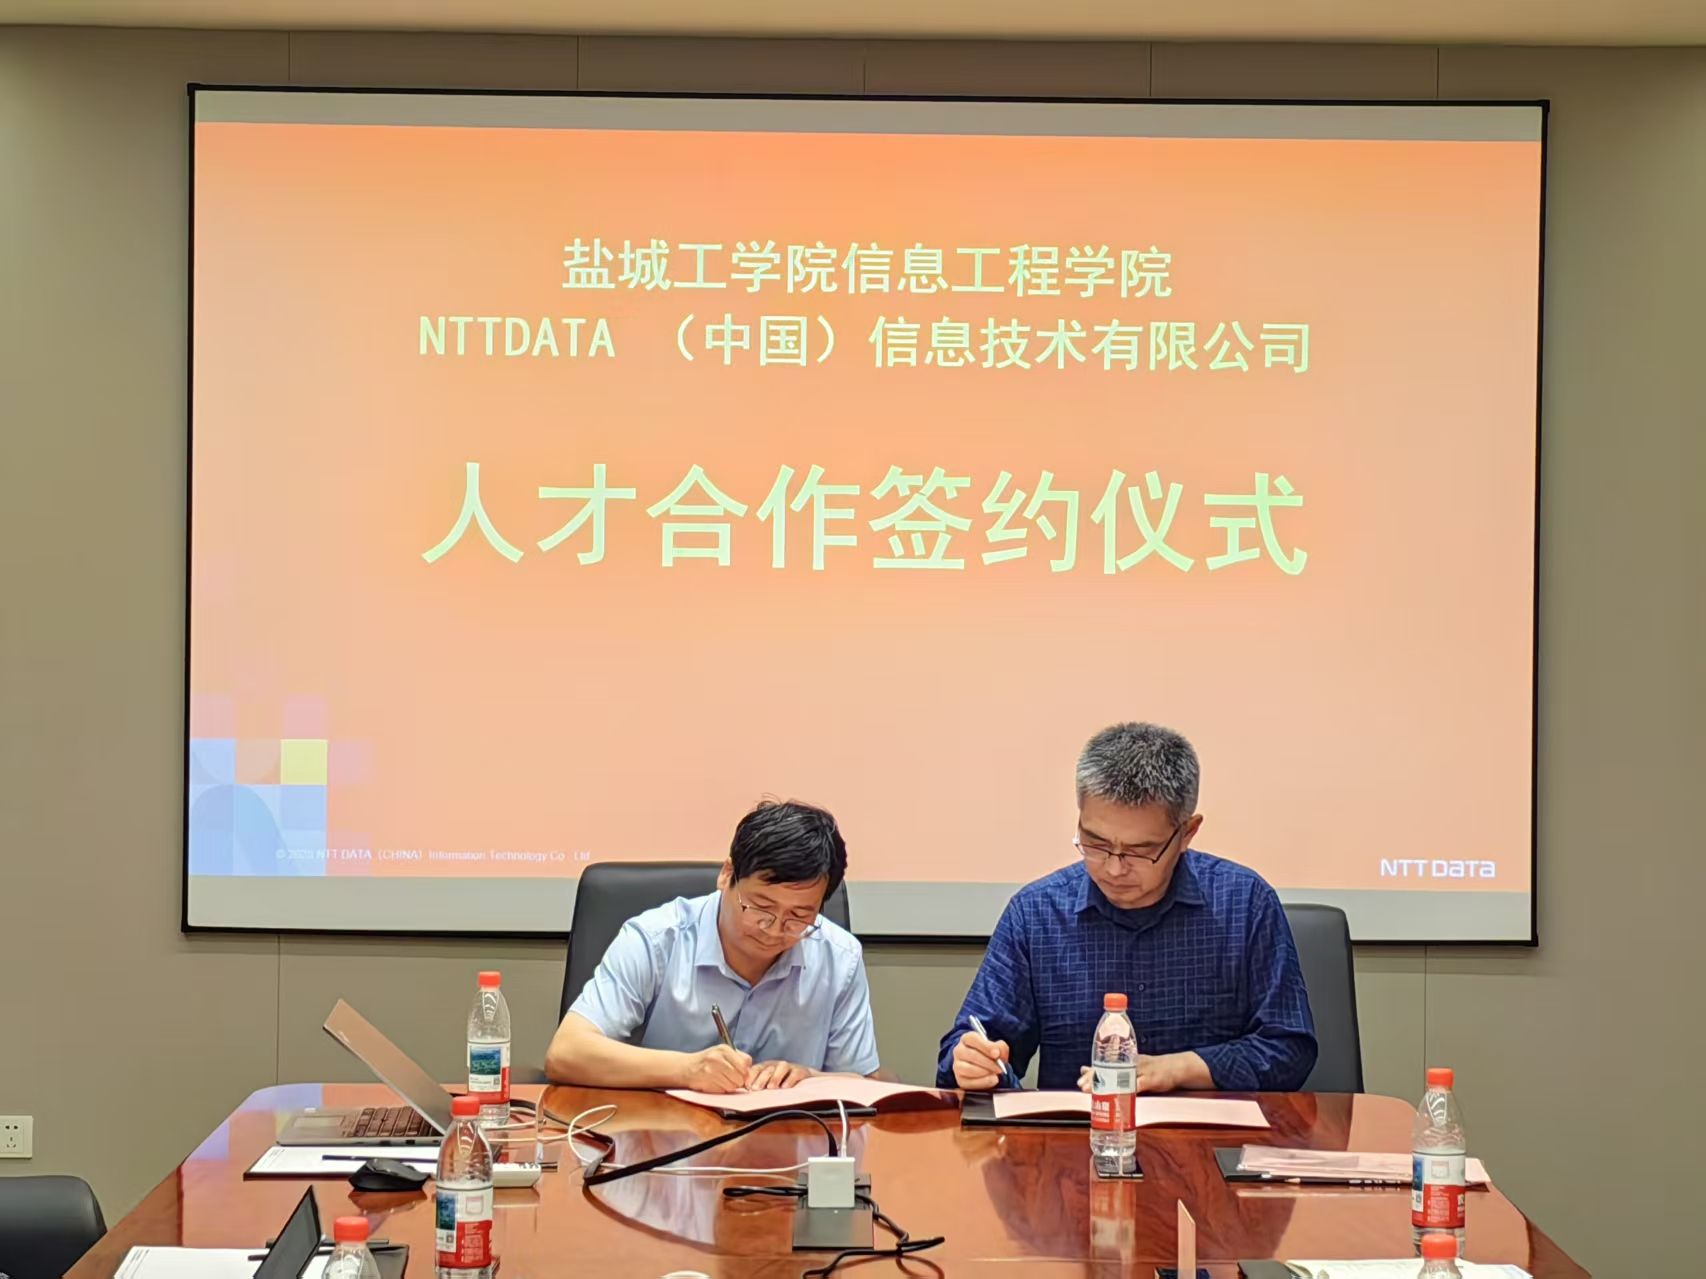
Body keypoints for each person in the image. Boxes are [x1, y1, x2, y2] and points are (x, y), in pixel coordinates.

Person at [938, 722, 1316, 1094]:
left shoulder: (1245, 904)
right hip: (1080, 1131)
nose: (1114, 868)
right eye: (1096, 843)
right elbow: (979, 1040)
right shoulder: (1037, 914)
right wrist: (971, 1062)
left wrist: (1179, 1069)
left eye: (1140, 851)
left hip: (1211, 1131)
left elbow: (1289, 1049)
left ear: (1187, 833)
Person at [546, 799, 880, 1092]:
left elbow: (864, 1083)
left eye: (799, 916)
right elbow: (566, 1053)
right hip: (664, 1137)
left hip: (789, 1141)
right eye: (761, 907)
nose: (774, 929)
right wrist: (686, 1070)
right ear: (727, 874)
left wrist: (810, 1078)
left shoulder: (840, 957)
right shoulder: (656, 938)